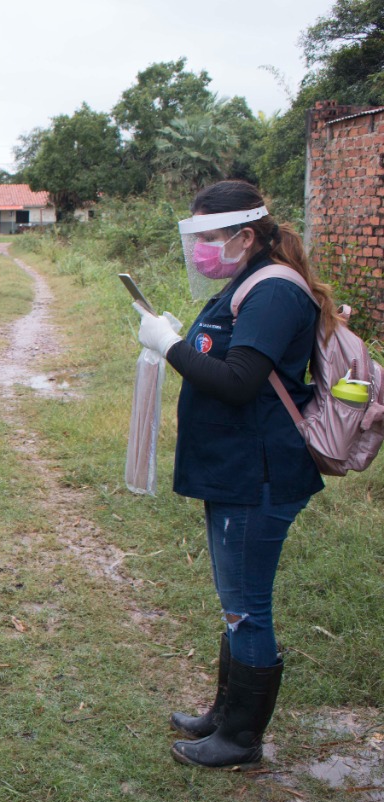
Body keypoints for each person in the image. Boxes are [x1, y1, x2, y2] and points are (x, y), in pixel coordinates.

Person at [135, 180, 335, 769]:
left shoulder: (273, 292)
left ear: (246, 236)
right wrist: (179, 336)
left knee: (246, 605)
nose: (201, 249)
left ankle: (241, 738)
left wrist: (169, 346)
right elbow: (219, 355)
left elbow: (238, 381)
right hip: (233, 467)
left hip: (260, 473)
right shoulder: (245, 282)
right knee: (234, 599)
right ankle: (224, 713)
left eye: (210, 237)